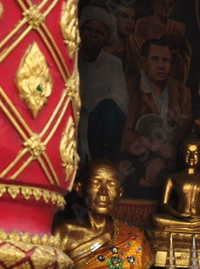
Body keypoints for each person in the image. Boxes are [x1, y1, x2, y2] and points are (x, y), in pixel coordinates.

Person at [54, 159, 154, 269]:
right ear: (79, 188)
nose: (103, 192)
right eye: (96, 183)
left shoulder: (133, 237)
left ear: (120, 193)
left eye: (111, 185)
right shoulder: (63, 233)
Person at [121, 39, 193, 190]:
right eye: (155, 59)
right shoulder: (129, 87)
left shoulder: (182, 92)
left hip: (169, 161)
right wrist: (155, 147)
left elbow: (183, 133)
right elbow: (123, 133)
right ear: (143, 62)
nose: (161, 65)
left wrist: (165, 161)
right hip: (134, 158)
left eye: (165, 60)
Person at [77, 6, 129, 163]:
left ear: (107, 38)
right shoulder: (69, 57)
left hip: (97, 127)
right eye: (89, 29)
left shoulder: (113, 64)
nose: (93, 35)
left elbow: (120, 103)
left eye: (99, 32)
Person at [133, 0, 191, 84]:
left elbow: (185, 55)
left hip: (169, 76)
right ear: (154, 3)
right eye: (163, 3)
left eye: (170, 4)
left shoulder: (178, 28)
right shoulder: (142, 23)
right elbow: (134, 49)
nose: (167, 7)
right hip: (144, 76)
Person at [106, 2, 142, 79]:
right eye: (124, 16)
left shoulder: (138, 44)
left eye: (133, 18)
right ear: (113, 17)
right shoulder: (103, 42)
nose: (130, 22)